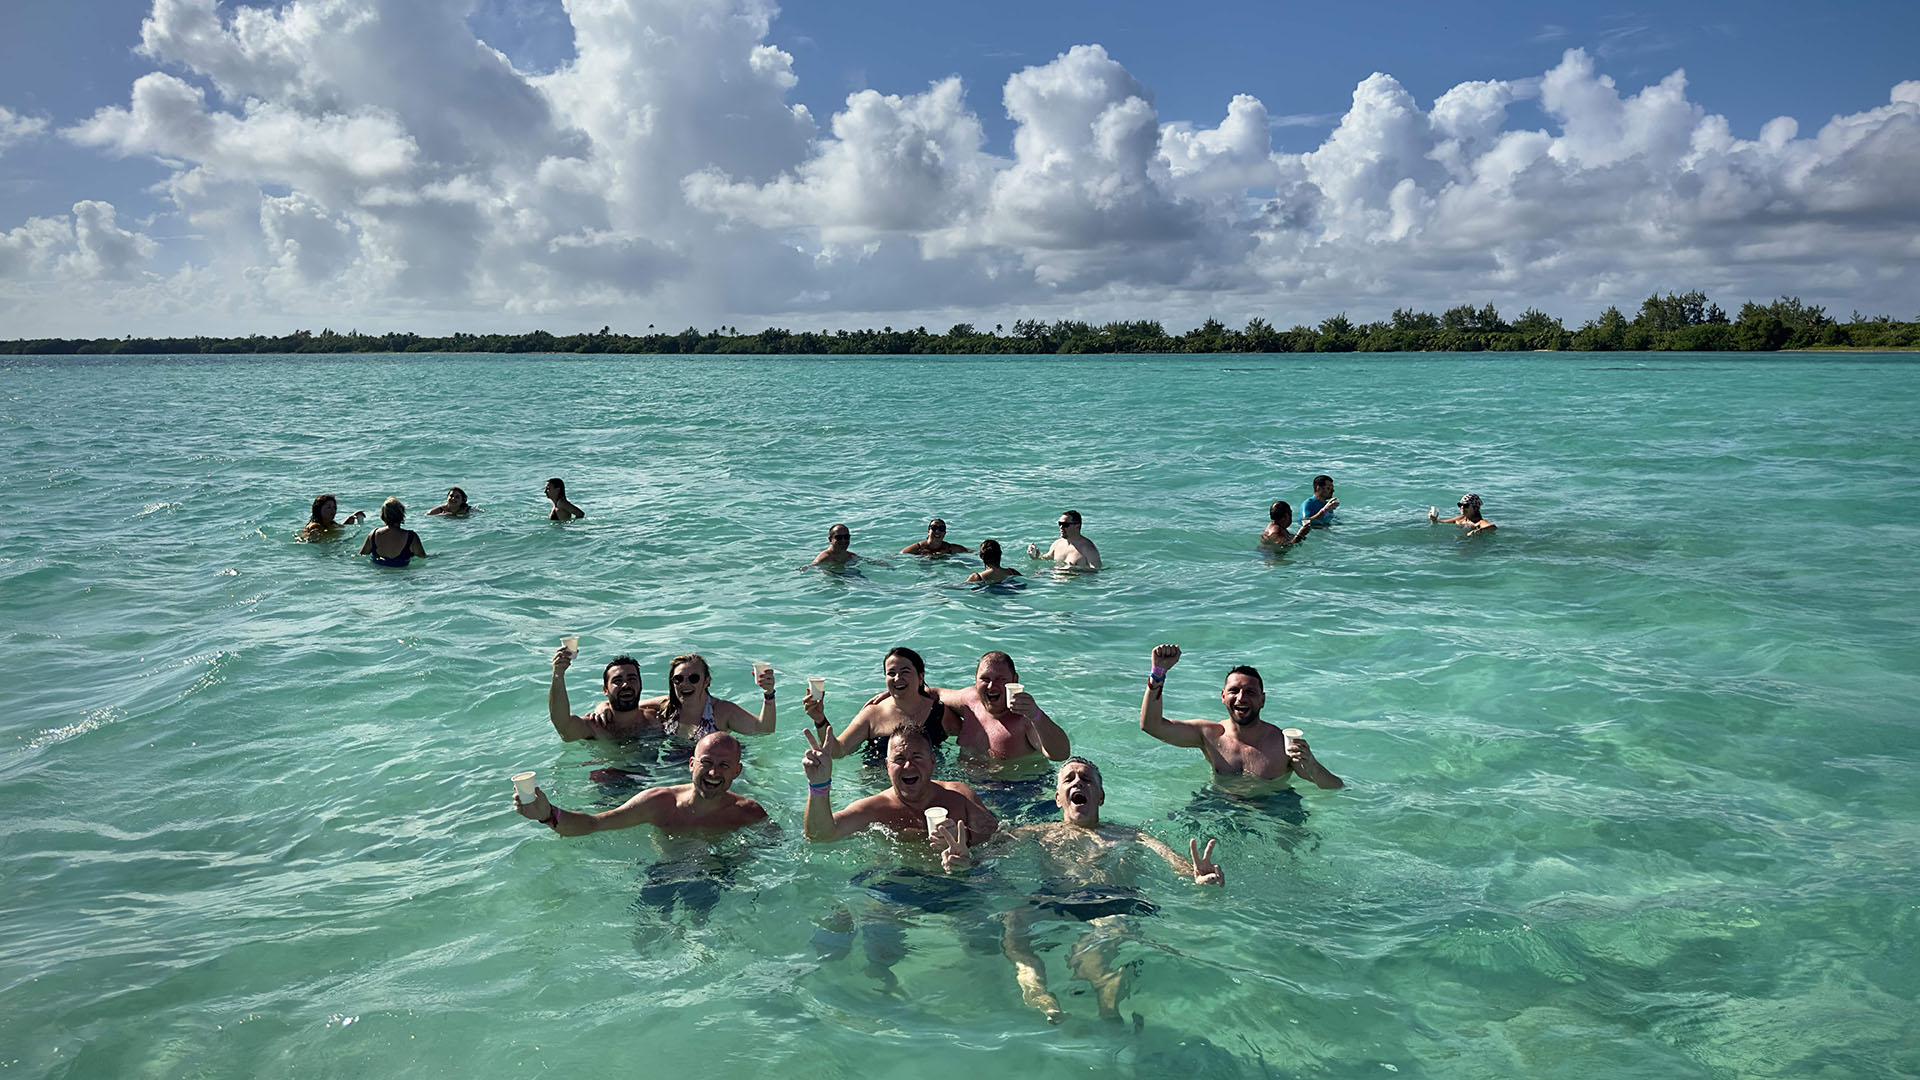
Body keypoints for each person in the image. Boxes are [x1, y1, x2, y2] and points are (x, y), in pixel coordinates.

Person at [993, 757, 1224, 1023]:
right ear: (1058, 799)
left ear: (1100, 797)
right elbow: (988, 856)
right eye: (1069, 779)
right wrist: (961, 860)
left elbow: (1172, 860)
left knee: (1091, 949)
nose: (1078, 781)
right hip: (1057, 897)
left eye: (1086, 779)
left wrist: (1196, 874)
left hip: (1114, 900)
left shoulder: (1131, 835)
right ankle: (1036, 989)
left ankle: (1107, 992)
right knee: (1014, 918)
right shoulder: (1037, 832)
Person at [1137, 644, 1343, 788]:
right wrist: (1158, 673)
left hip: (1272, 807)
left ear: (1263, 700)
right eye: (1234, 691)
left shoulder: (1283, 744)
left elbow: (1334, 787)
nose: (1241, 698)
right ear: (1223, 696)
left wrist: (1313, 766)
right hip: (1221, 803)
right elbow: (1151, 725)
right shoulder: (1209, 734)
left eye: (1251, 692)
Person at [802, 726, 996, 871]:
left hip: (962, 881)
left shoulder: (959, 795)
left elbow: (1000, 837)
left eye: (917, 757)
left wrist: (967, 843)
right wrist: (819, 785)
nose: (908, 766)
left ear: (932, 760)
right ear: (887, 765)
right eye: (899, 759)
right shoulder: (874, 809)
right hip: (899, 882)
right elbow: (820, 836)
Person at [513, 732, 767, 834]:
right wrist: (547, 815)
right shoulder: (659, 803)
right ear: (691, 764)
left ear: (737, 771)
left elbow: (795, 848)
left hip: (719, 874)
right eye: (706, 762)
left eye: (724, 765)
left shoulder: (749, 813)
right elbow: (594, 823)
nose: (713, 772)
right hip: (666, 873)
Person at [804, 647, 959, 763]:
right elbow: (837, 751)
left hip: (930, 783)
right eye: (891, 673)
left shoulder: (938, 712)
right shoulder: (872, 714)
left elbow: (970, 740)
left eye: (905, 671)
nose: (897, 678)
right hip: (877, 786)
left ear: (920, 677)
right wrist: (820, 720)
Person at [933, 651, 1072, 762]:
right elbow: (935, 693)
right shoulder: (970, 700)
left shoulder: (1025, 720)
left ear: (1014, 680)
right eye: (985, 679)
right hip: (965, 781)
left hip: (1014, 789)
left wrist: (1036, 714)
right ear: (975, 680)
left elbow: (1061, 754)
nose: (992, 686)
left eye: (1000, 679)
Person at [641, 652, 777, 739]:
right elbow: (629, 708)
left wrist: (768, 693)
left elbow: (763, 730)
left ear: (706, 681)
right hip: (676, 764)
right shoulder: (666, 705)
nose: (685, 683)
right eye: (679, 679)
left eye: (693, 678)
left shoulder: (721, 711)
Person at [549, 651, 658, 740]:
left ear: (640, 684)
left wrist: (604, 704)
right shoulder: (594, 726)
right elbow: (563, 726)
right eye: (617, 680)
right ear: (605, 690)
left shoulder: (656, 719)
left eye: (632, 679)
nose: (625, 685)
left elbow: (668, 700)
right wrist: (558, 675)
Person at [357, 497, 426, 566]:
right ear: (401, 514)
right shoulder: (411, 537)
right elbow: (423, 557)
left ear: (383, 515)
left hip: (379, 574)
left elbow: (361, 555)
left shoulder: (373, 534)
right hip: (402, 574)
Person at [1028, 509, 1101, 570]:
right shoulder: (1057, 544)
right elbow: (1047, 558)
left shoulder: (1088, 548)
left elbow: (1096, 571)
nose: (1061, 527)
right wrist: (1036, 556)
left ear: (1077, 526)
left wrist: (1075, 570)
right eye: (1060, 524)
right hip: (1054, 582)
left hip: (1074, 584)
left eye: (1065, 525)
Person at [810, 522, 887, 567]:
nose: (843, 540)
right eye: (839, 537)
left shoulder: (849, 555)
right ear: (830, 539)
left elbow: (866, 560)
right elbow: (811, 567)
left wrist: (883, 564)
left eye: (846, 537)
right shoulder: (825, 557)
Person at [301, 493, 365, 539]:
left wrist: (349, 519)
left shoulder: (331, 523)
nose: (332, 510)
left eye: (334, 507)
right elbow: (303, 539)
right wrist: (310, 538)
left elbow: (340, 527)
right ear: (318, 510)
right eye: (328, 507)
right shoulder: (314, 526)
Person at [901, 517, 970, 556]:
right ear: (928, 531)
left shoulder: (949, 548)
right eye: (934, 528)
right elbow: (900, 555)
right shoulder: (918, 548)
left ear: (944, 533)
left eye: (941, 529)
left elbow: (971, 552)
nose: (937, 531)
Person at [1431, 493, 1496, 532]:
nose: (1462, 507)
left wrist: (1478, 531)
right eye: (1460, 505)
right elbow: (1441, 522)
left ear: (1475, 508)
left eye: (1466, 505)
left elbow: (1492, 527)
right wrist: (1434, 519)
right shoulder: (1460, 519)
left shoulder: (1479, 522)